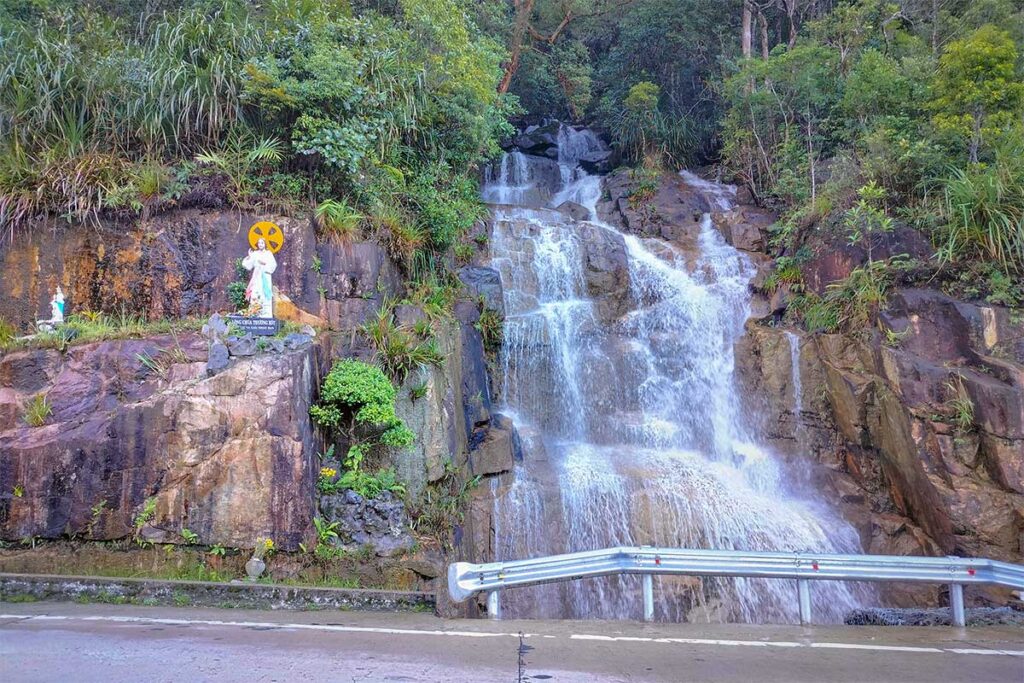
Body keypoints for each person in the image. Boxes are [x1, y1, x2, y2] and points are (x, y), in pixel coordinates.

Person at [242, 238, 277, 318]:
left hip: (265, 275)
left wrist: (264, 264)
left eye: (262, 243)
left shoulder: (268, 253)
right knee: (256, 292)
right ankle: (255, 313)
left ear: (265, 244)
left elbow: (273, 265)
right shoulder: (255, 254)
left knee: (265, 294)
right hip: (257, 276)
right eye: (259, 243)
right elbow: (247, 265)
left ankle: (266, 315)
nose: (260, 244)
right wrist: (249, 256)